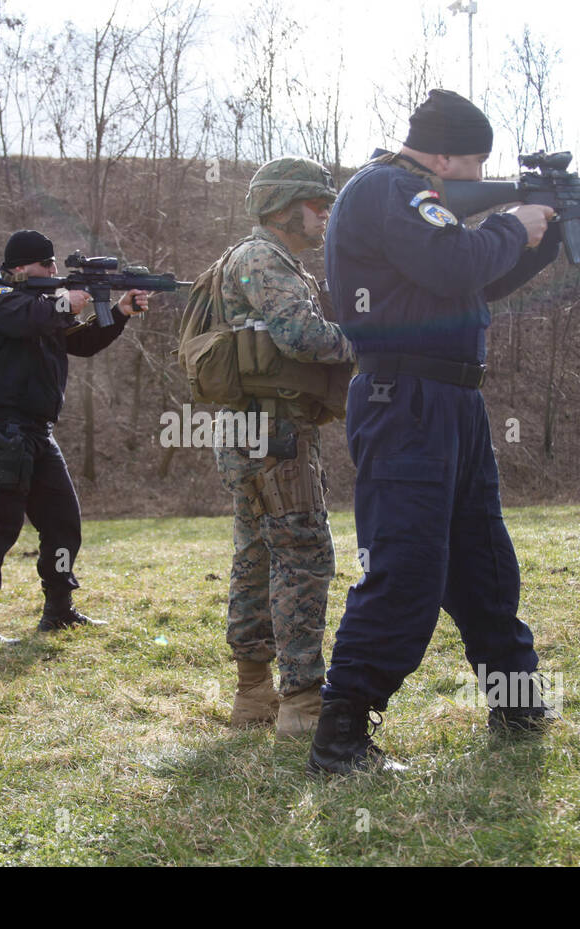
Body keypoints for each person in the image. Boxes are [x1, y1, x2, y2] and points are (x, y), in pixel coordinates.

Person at [307, 89, 580, 774]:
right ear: (445, 154)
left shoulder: (419, 200)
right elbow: (456, 262)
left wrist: (542, 233)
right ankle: (339, 735)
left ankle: (516, 705)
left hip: (451, 402)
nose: (480, 175)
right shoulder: (390, 190)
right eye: (475, 162)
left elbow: (478, 279)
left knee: (483, 566)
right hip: (406, 399)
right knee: (407, 570)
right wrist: (517, 221)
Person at [210, 157, 355, 739]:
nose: (324, 214)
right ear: (284, 206)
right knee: (303, 558)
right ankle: (301, 703)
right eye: (317, 204)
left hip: (251, 432)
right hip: (275, 434)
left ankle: (253, 693)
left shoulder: (245, 259)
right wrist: (368, 341)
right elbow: (301, 335)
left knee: (258, 554)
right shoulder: (263, 260)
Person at [0, 229, 149, 647]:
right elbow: (27, 319)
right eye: (47, 265)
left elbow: (83, 343)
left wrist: (120, 311)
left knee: (63, 523)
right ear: (22, 267)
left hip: (38, 430)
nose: (55, 271)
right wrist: (64, 301)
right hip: (4, 426)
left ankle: (58, 609)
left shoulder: (44, 305)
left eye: (57, 265)